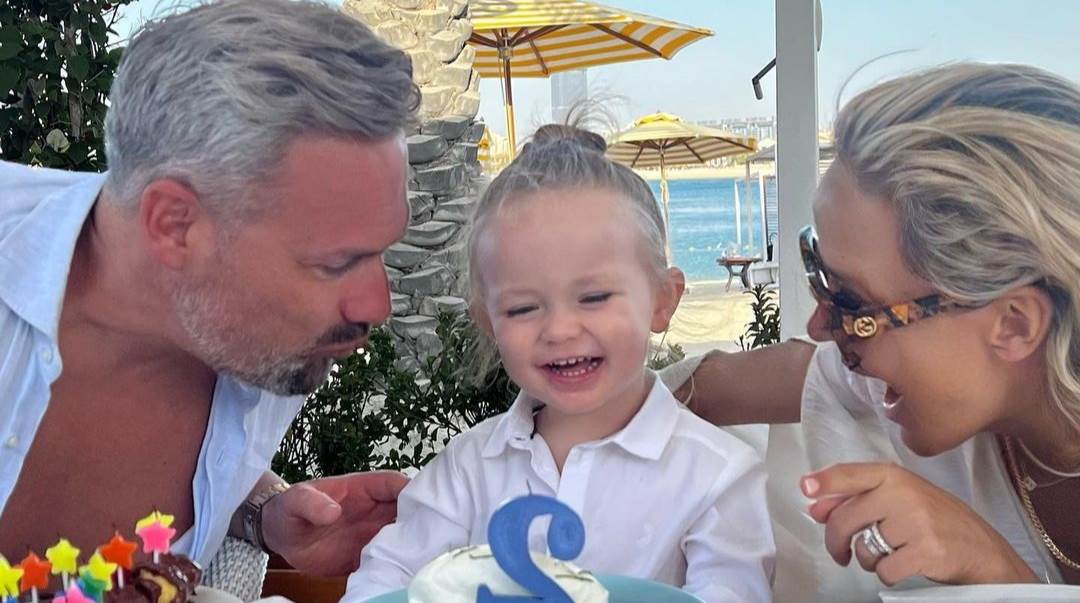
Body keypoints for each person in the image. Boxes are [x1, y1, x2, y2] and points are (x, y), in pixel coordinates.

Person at [0, 0, 419, 577]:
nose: (378, 305)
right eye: (336, 262)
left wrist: (259, 512)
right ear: (175, 226)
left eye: (380, 250)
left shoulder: (260, 337)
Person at [662, 63, 1080, 599]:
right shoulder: (919, 383)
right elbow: (701, 388)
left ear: (1014, 323)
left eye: (850, 302)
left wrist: (993, 570)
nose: (819, 325)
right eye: (818, 273)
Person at [342, 125, 776, 603]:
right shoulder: (466, 470)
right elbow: (384, 580)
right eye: (523, 308)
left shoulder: (717, 476)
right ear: (488, 322)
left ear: (661, 300)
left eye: (594, 297)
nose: (560, 329)